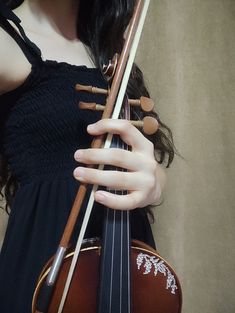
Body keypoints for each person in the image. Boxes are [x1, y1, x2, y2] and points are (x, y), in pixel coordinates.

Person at [0, 0, 174, 312]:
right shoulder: (6, 39)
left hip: (128, 256)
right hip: (46, 258)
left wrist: (156, 181)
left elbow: (144, 153)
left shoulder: (109, 52)